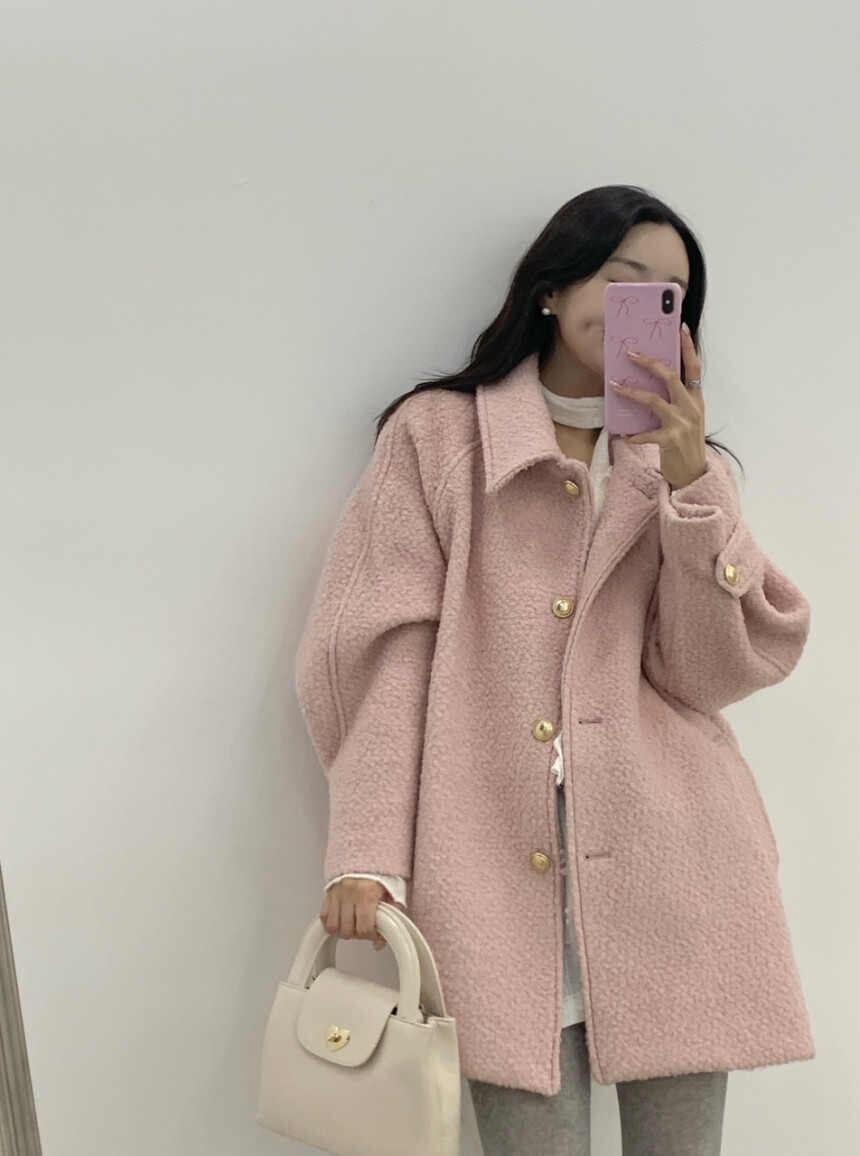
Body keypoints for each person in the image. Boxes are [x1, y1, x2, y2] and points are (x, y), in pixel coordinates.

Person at [294, 184, 814, 1155]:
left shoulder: (685, 468)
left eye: (667, 294)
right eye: (623, 278)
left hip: (676, 865)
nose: (640, 305)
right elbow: (384, 651)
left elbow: (704, 675)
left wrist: (690, 483)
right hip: (490, 865)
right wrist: (366, 851)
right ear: (550, 286)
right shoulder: (437, 439)